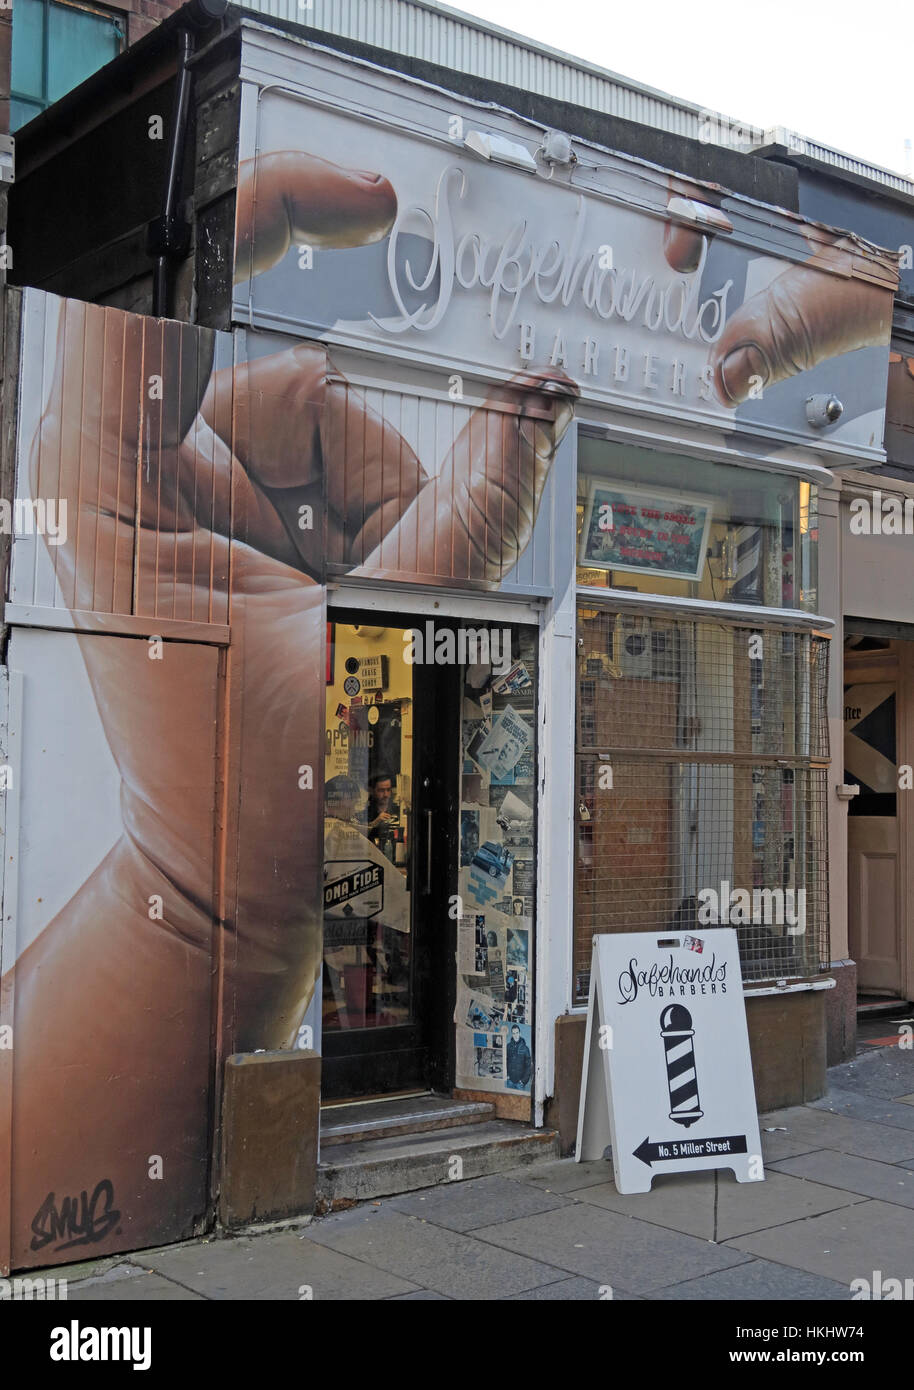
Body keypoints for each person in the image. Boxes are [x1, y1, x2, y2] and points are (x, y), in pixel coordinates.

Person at [506, 1023, 532, 1091]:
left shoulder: (525, 1048)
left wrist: (523, 1081)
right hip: (509, 1081)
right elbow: (505, 1061)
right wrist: (507, 1075)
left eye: (517, 1033)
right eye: (513, 1033)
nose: (515, 1035)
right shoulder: (508, 1046)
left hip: (520, 1083)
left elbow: (529, 1066)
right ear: (512, 1034)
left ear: (520, 1033)